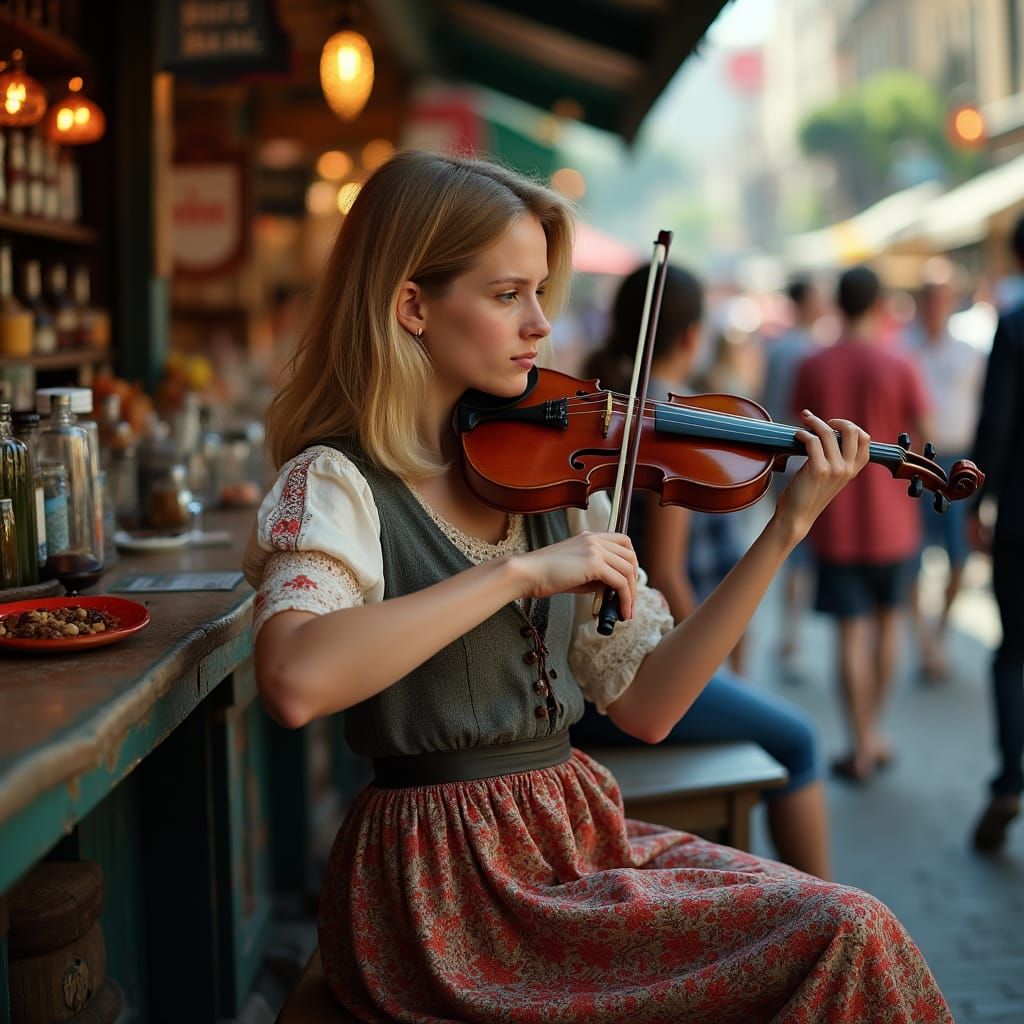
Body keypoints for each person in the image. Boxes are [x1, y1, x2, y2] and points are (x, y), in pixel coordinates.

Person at [244, 151, 951, 1022]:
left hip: (578, 839)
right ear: (412, 305)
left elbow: (650, 705)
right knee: (838, 929)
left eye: (542, 292)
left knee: (851, 925)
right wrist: (519, 575)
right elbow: (293, 679)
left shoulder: (556, 482)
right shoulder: (337, 486)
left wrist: (785, 529)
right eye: (508, 295)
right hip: (445, 893)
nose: (541, 324)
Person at [576, 263, 831, 879]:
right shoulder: (669, 422)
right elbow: (667, 568)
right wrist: (710, 658)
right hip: (624, 665)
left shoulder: (597, 401)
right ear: (692, 336)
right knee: (798, 740)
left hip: (592, 653)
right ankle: (820, 893)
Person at [792, 266, 931, 784]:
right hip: (894, 520)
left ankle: (858, 745)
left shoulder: (815, 363)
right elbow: (926, 430)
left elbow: (797, 434)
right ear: (877, 303)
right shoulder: (900, 359)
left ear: (839, 303)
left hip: (834, 518)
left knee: (850, 635)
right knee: (888, 624)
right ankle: (875, 732)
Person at [969, 215, 1024, 852]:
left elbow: (997, 428)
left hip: (1021, 521)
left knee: (1013, 653)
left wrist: (974, 503)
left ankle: (1010, 779)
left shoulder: (1014, 325)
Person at [904, 268, 986, 679]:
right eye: (929, 297)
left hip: (957, 461)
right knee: (911, 556)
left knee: (959, 556)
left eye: (942, 297)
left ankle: (937, 635)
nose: (935, 306)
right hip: (915, 462)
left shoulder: (969, 352)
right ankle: (924, 644)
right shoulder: (904, 348)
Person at [761, 277, 828, 671]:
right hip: (805, 457)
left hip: (778, 453)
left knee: (788, 542)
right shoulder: (808, 351)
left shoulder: (779, 347)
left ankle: (790, 635)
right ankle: (792, 637)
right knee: (796, 545)